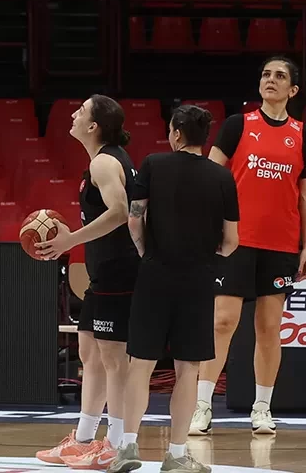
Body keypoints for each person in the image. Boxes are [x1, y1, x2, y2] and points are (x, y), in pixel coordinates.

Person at [191, 56, 306, 436]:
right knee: (222, 322)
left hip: (280, 246)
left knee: (268, 328)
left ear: (292, 90)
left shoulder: (304, 136)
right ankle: (202, 406)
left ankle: (262, 409)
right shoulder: (237, 125)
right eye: (265, 74)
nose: (271, 80)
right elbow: (211, 177)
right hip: (235, 241)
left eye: (280, 76)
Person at [107, 105, 239, 473]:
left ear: (177, 133)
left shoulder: (152, 164)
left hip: (154, 275)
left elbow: (135, 219)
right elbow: (231, 241)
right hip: (198, 279)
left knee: (141, 365)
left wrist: (146, 250)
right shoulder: (222, 178)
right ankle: (177, 454)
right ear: (204, 137)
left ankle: (128, 447)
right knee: (188, 369)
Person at [35, 95, 139, 471]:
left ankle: (115, 446)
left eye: (81, 110)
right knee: (89, 355)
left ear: (94, 126)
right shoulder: (101, 161)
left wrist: (69, 240)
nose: (74, 114)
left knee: (114, 362)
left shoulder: (106, 162)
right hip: (103, 274)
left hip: (119, 272)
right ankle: (82, 440)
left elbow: (120, 212)